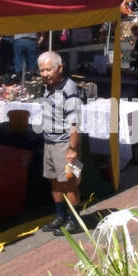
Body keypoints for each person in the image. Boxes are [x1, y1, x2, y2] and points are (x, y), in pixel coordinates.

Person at [36, 51, 84, 234]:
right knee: (54, 181)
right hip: (50, 141)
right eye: (42, 70)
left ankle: (75, 220)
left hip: (65, 144)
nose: (45, 74)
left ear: (60, 68)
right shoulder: (48, 86)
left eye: (48, 70)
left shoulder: (69, 89)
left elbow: (75, 122)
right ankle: (60, 216)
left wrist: (72, 149)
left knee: (68, 183)